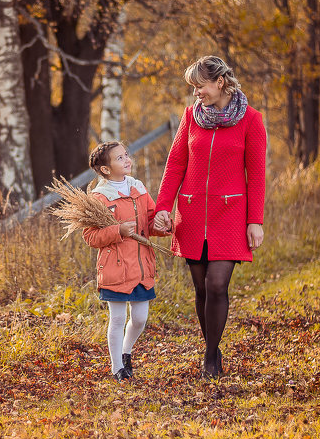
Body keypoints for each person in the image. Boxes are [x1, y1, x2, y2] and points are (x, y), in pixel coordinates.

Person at [153, 56, 266, 379]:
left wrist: (254, 220)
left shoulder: (252, 120)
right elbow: (175, 164)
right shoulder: (191, 117)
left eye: (199, 86)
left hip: (230, 215)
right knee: (201, 288)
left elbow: (256, 175)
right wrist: (164, 207)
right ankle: (213, 349)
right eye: (193, 87)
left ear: (219, 83)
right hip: (190, 213)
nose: (195, 93)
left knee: (217, 284)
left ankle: (209, 355)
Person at [82, 141, 169, 381]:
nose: (127, 160)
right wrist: (118, 230)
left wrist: (162, 226)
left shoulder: (138, 189)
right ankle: (117, 367)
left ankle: (126, 351)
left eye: (126, 155)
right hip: (115, 268)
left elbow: (150, 222)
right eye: (119, 158)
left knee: (140, 317)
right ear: (106, 170)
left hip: (141, 267)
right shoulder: (99, 198)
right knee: (118, 318)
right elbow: (90, 236)